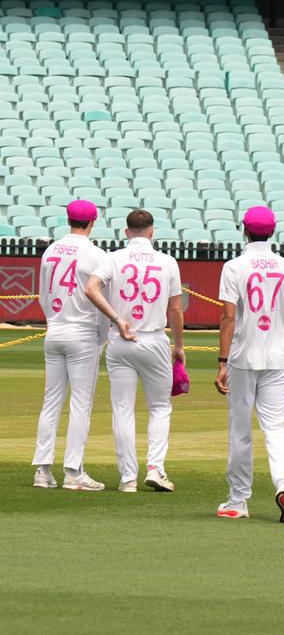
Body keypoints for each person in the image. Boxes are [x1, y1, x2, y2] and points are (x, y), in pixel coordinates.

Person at [84, 209, 185, 492]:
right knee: (160, 407)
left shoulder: (113, 258)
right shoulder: (167, 262)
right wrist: (179, 345)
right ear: (152, 232)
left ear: (127, 232)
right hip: (154, 339)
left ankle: (128, 477)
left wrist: (117, 318)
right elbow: (176, 309)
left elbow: (91, 289)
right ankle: (155, 468)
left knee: (123, 409)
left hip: (121, 338)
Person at [214, 206, 284, 522]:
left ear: (245, 230)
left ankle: (238, 500)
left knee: (240, 429)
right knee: (275, 427)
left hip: (243, 356)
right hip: (276, 356)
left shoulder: (234, 266)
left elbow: (228, 317)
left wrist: (222, 361)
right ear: (272, 232)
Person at [32, 200, 114, 491]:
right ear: (93, 222)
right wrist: (102, 337)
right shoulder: (97, 254)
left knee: (51, 401)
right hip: (82, 333)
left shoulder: (52, 250)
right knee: (81, 403)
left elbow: (43, 294)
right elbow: (103, 300)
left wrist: (52, 320)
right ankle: (73, 471)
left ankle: (42, 470)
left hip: (55, 329)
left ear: (69, 220)